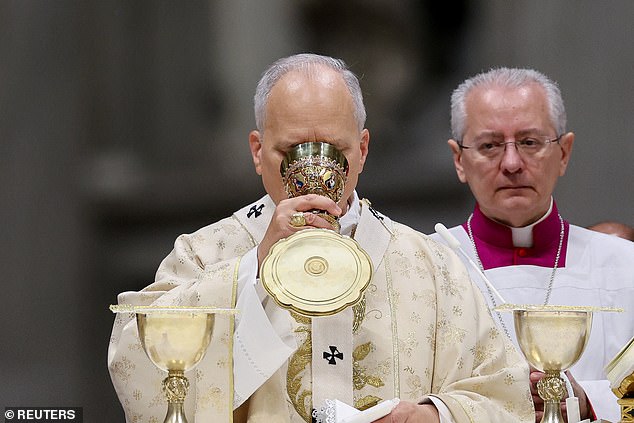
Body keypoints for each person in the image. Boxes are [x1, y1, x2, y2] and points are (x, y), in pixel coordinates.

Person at [108, 54, 534, 422]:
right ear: (258, 151)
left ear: (363, 150)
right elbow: (136, 366)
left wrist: (431, 416)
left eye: (335, 150)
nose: (315, 172)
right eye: (292, 151)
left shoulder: (430, 266)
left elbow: (504, 396)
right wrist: (252, 270)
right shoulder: (207, 254)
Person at [432, 67, 634, 422]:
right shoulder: (424, 266)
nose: (511, 164)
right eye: (490, 145)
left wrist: (587, 400)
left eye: (530, 142)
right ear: (459, 160)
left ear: (565, 152)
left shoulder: (625, 266)